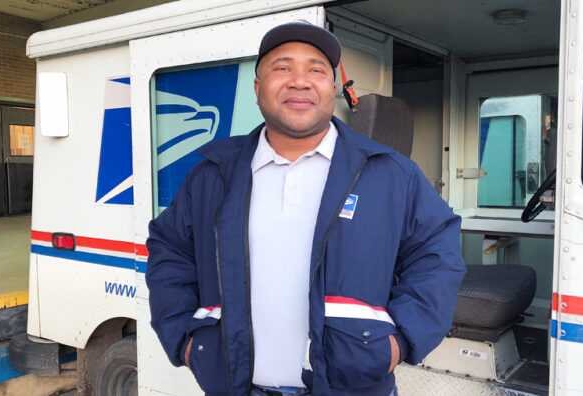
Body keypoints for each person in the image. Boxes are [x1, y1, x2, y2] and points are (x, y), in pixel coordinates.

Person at [146, 21, 466, 396]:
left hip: (354, 390)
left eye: (316, 70)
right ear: (257, 88)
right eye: (282, 68)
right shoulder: (212, 175)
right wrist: (186, 339)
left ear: (332, 88)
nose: (300, 81)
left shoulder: (391, 173)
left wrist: (399, 343)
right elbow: (169, 251)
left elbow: (436, 257)